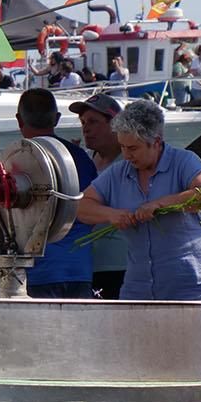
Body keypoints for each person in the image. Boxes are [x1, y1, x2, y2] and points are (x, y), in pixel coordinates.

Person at [75, 99, 201, 301]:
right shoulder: (118, 172)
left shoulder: (184, 160)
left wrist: (161, 203)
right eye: (123, 147)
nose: (126, 155)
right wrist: (112, 215)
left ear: (157, 142)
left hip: (189, 282)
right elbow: (81, 206)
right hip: (138, 284)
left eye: (133, 148)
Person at [15, 88, 97, 298]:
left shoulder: (16, 161)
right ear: (57, 119)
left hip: (39, 273)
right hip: (79, 271)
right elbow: (93, 208)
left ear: (18, 120)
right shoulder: (80, 158)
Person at [70, 92, 127, 298]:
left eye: (93, 121)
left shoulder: (131, 162)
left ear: (115, 124)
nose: (86, 128)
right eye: (83, 122)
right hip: (86, 266)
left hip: (121, 264)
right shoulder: (84, 161)